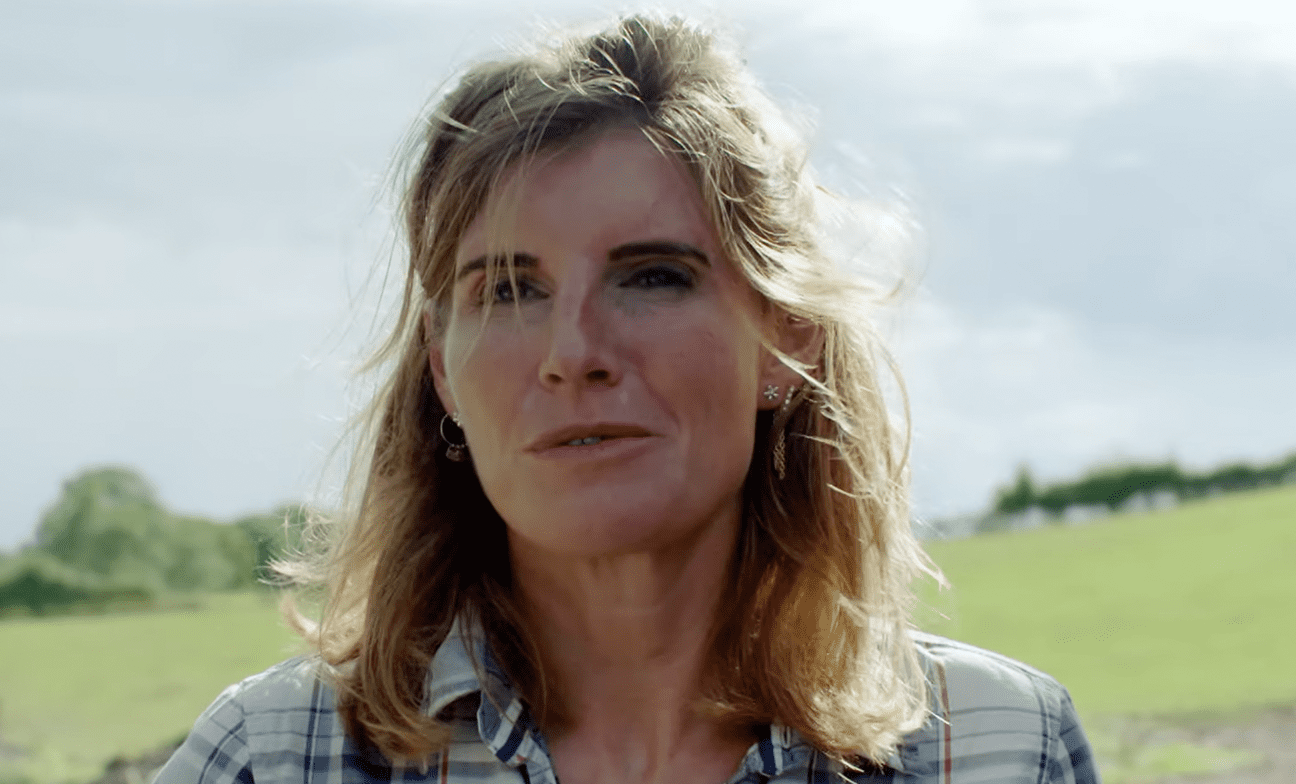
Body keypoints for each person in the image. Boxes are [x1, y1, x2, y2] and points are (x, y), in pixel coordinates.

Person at [155, 13, 1099, 784]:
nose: (573, 354)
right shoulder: (276, 756)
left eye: (651, 276)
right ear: (443, 367)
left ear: (784, 340)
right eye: (510, 290)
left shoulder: (991, 749)